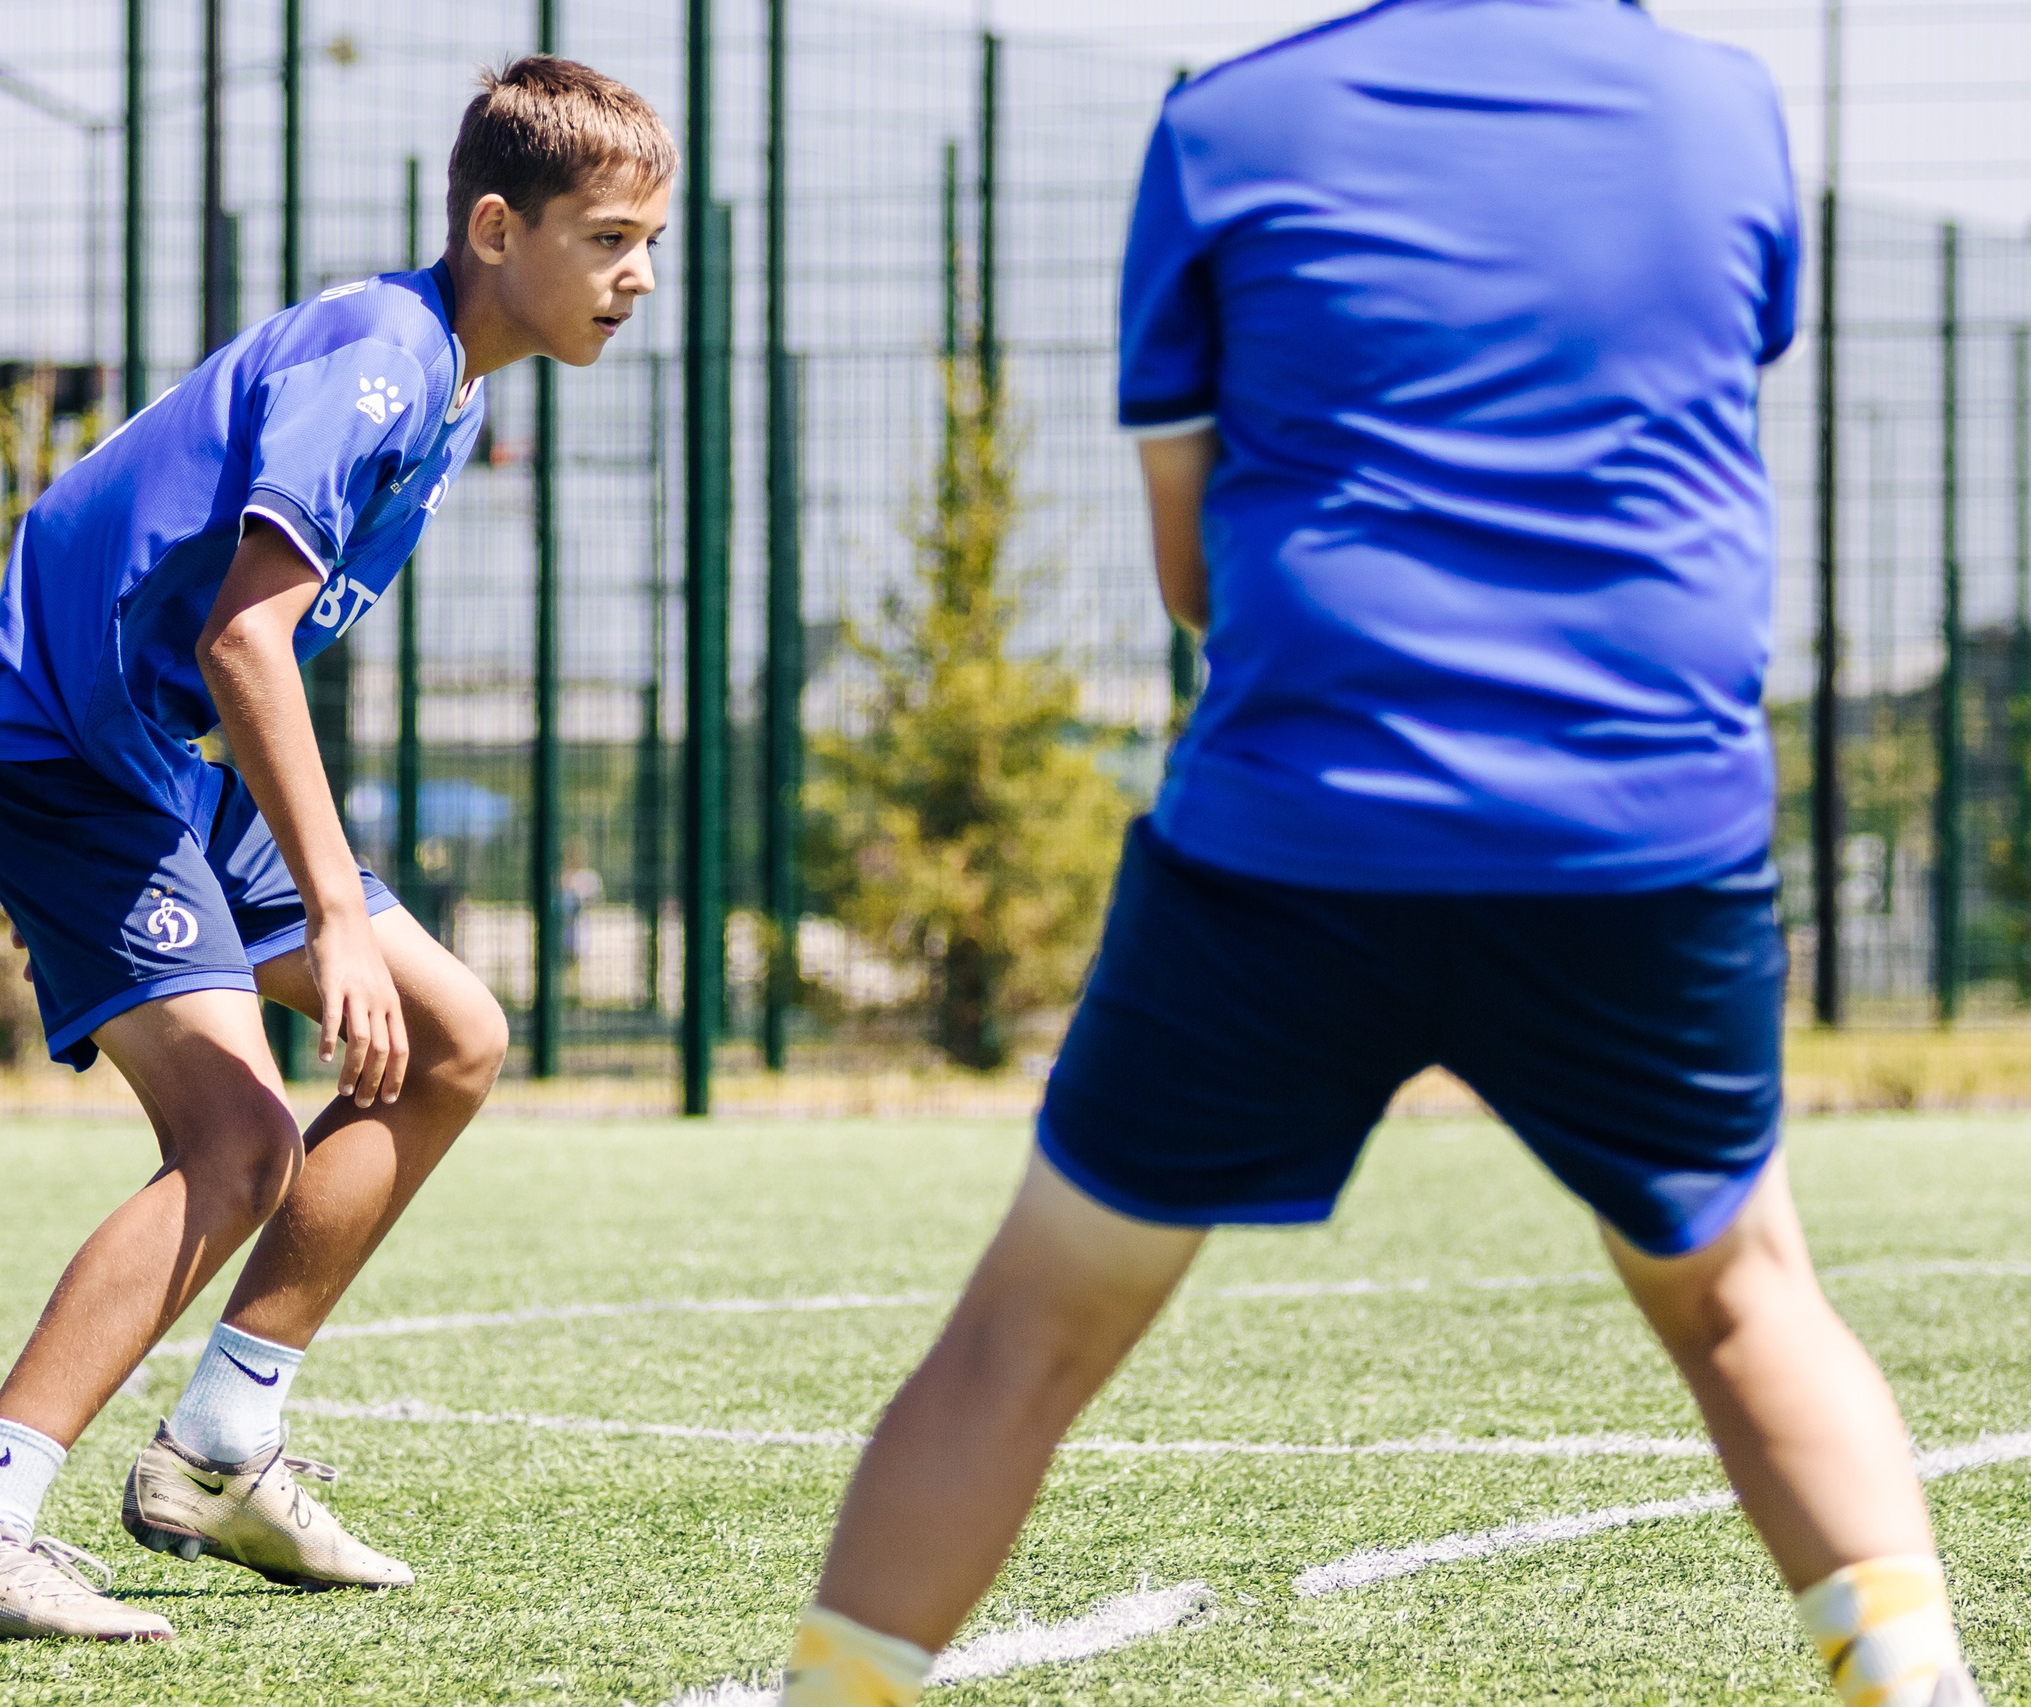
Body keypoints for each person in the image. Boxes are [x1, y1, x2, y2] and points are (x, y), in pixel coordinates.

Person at [777, 3, 1982, 1705]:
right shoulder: (1726, 111)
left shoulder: (1225, 126)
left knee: (1026, 1337)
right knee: (1744, 1296)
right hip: (1640, 829)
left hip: (1298, 836)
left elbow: (1193, 574)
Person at [0, 57, 673, 1641]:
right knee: (241, 1145)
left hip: (159, 755)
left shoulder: (454, 380)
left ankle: (220, 1452)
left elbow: (242, 657)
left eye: (653, 243)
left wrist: (340, 914)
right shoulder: (381, 360)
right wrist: (334, 909)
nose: (637, 277)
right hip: (60, 751)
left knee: (452, 1038)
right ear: (498, 227)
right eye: (607, 239)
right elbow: (250, 638)